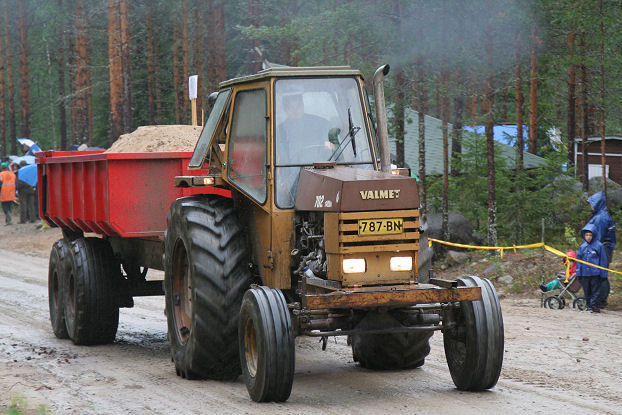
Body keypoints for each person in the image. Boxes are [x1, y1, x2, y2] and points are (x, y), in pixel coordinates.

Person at [586, 191, 616, 307]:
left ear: (597, 203)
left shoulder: (600, 218)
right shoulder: (601, 215)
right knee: (600, 275)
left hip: (602, 250)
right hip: (604, 249)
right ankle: (599, 299)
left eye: (592, 203)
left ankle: (599, 300)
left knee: (600, 275)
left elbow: (597, 236)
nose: (591, 206)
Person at [576, 224, 608, 313]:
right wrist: (578, 273)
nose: (588, 237)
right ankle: (589, 306)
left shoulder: (599, 246)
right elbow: (579, 261)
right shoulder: (582, 246)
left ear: (594, 235)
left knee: (596, 290)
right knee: (587, 290)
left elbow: (603, 261)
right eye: (586, 235)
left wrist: (603, 273)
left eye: (590, 235)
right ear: (584, 235)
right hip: (585, 273)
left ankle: (594, 305)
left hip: (595, 273)